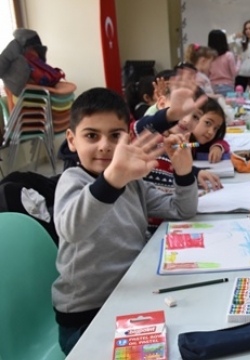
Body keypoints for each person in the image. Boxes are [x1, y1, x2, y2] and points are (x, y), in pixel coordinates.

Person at [53, 88, 198, 355]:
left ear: (128, 138)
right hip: (86, 317)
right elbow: (72, 229)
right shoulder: (73, 181)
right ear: (72, 140)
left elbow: (181, 210)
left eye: (115, 136)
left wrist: (184, 172)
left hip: (132, 297)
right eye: (91, 136)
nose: (105, 145)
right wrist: (112, 180)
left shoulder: (133, 183)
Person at [189, 97, 229, 163]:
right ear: (195, 117)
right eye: (208, 123)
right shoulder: (181, 140)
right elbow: (176, 146)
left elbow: (223, 143)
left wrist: (217, 147)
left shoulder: (198, 144)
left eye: (215, 128)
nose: (211, 132)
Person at [208, 29, 240, 96]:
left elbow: (206, 73)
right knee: (229, 106)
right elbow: (235, 72)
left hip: (212, 87)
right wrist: (239, 61)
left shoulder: (208, 56)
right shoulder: (229, 55)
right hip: (228, 87)